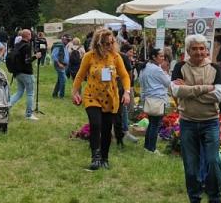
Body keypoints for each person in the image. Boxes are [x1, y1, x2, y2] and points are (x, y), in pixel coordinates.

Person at [170, 34, 221, 203]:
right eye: (194, 48)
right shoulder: (180, 67)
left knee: (212, 162)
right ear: (188, 51)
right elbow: (175, 90)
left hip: (210, 122)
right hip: (188, 122)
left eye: (202, 48)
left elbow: (219, 96)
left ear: (206, 50)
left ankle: (215, 200)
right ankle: (194, 201)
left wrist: (189, 89)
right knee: (191, 164)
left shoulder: (215, 68)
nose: (199, 52)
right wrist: (205, 89)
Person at [72, 28, 130, 170]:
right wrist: (75, 92)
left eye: (111, 43)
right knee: (96, 124)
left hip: (110, 98)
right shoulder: (89, 56)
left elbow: (124, 76)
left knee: (106, 129)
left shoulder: (116, 57)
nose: (109, 46)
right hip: (92, 96)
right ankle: (95, 157)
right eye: (105, 43)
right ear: (98, 43)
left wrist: (127, 92)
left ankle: (105, 158)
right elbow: (80, 76)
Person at [139, 47, 174, 154]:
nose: (163, 58)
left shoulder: (145, 67)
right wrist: (165, 71)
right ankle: (152, 149)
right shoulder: (157, 69)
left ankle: (147, 146)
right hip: (157, 99)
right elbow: (168, 82)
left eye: (163, 56)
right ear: (154, 57)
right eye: (161, 56)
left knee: (151, 123)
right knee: (155, 124)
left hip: (149, 98)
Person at [7, 29, 39, 120]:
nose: (31, 35)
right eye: (30, 34)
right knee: (30, 93)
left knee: (19, 92)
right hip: (26, 72)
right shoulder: (27, 46)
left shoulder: (17, 45)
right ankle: (29, 114)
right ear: (27, 35)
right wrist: (35, 57)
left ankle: (7, 106)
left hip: (17, 73)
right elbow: (27, 60)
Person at [50, 34, 70, 98]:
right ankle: (61, 95)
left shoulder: (64, 46)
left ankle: (54, 94)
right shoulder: (59, 46)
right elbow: (53, 55)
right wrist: (59, 64)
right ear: (63, 39)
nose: (68, 41)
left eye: (68, 40)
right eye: (67, 40)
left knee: (60, 80)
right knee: (63, 79)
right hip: (59, 65)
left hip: (64, 65)